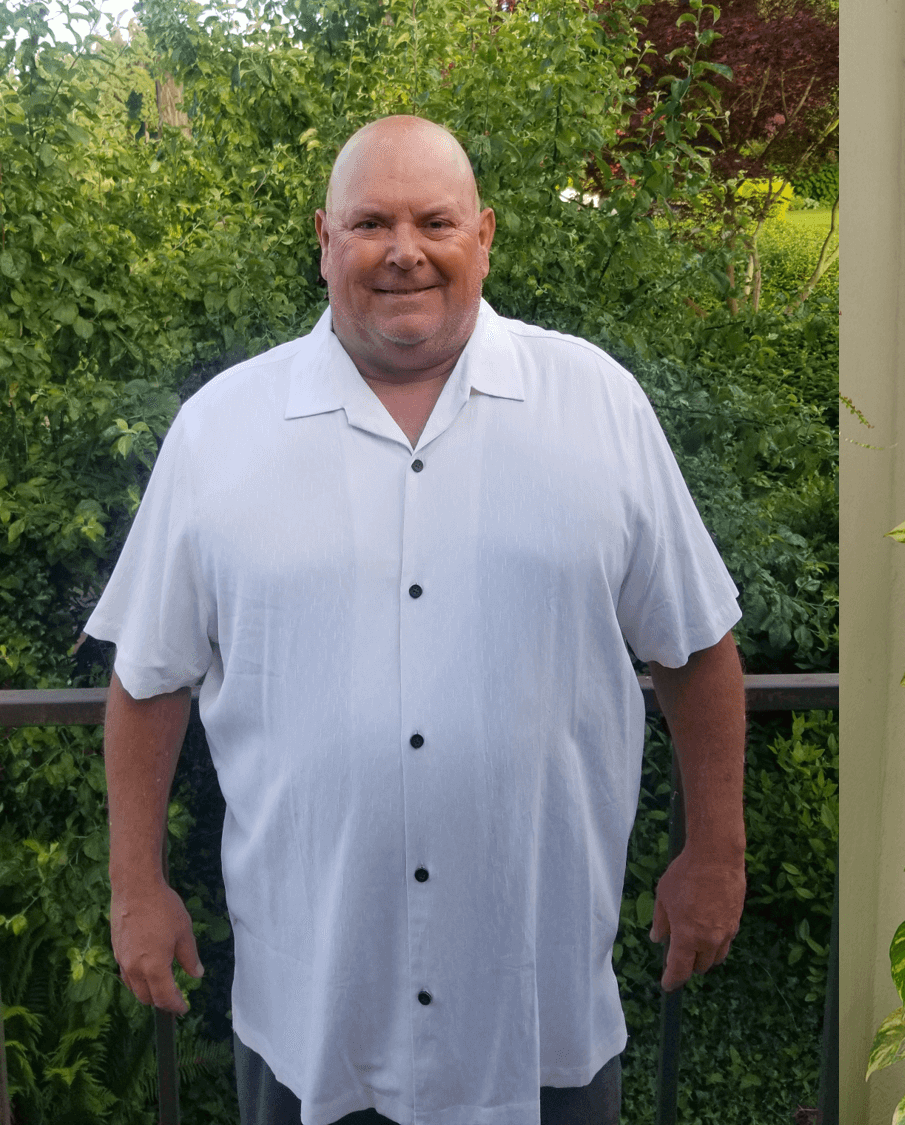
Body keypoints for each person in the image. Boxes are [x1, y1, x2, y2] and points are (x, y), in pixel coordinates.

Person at [90, 115, 748, 1125]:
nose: (405, 251)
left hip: (539, 1018)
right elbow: (148, 677)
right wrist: (135, 887)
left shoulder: (599, 405)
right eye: (371, 223)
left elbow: (696, 647)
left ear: (484, 235)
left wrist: (716, 854)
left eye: (435, 221)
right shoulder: (219, 430)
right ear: (324, 240)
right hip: (312, 1022)